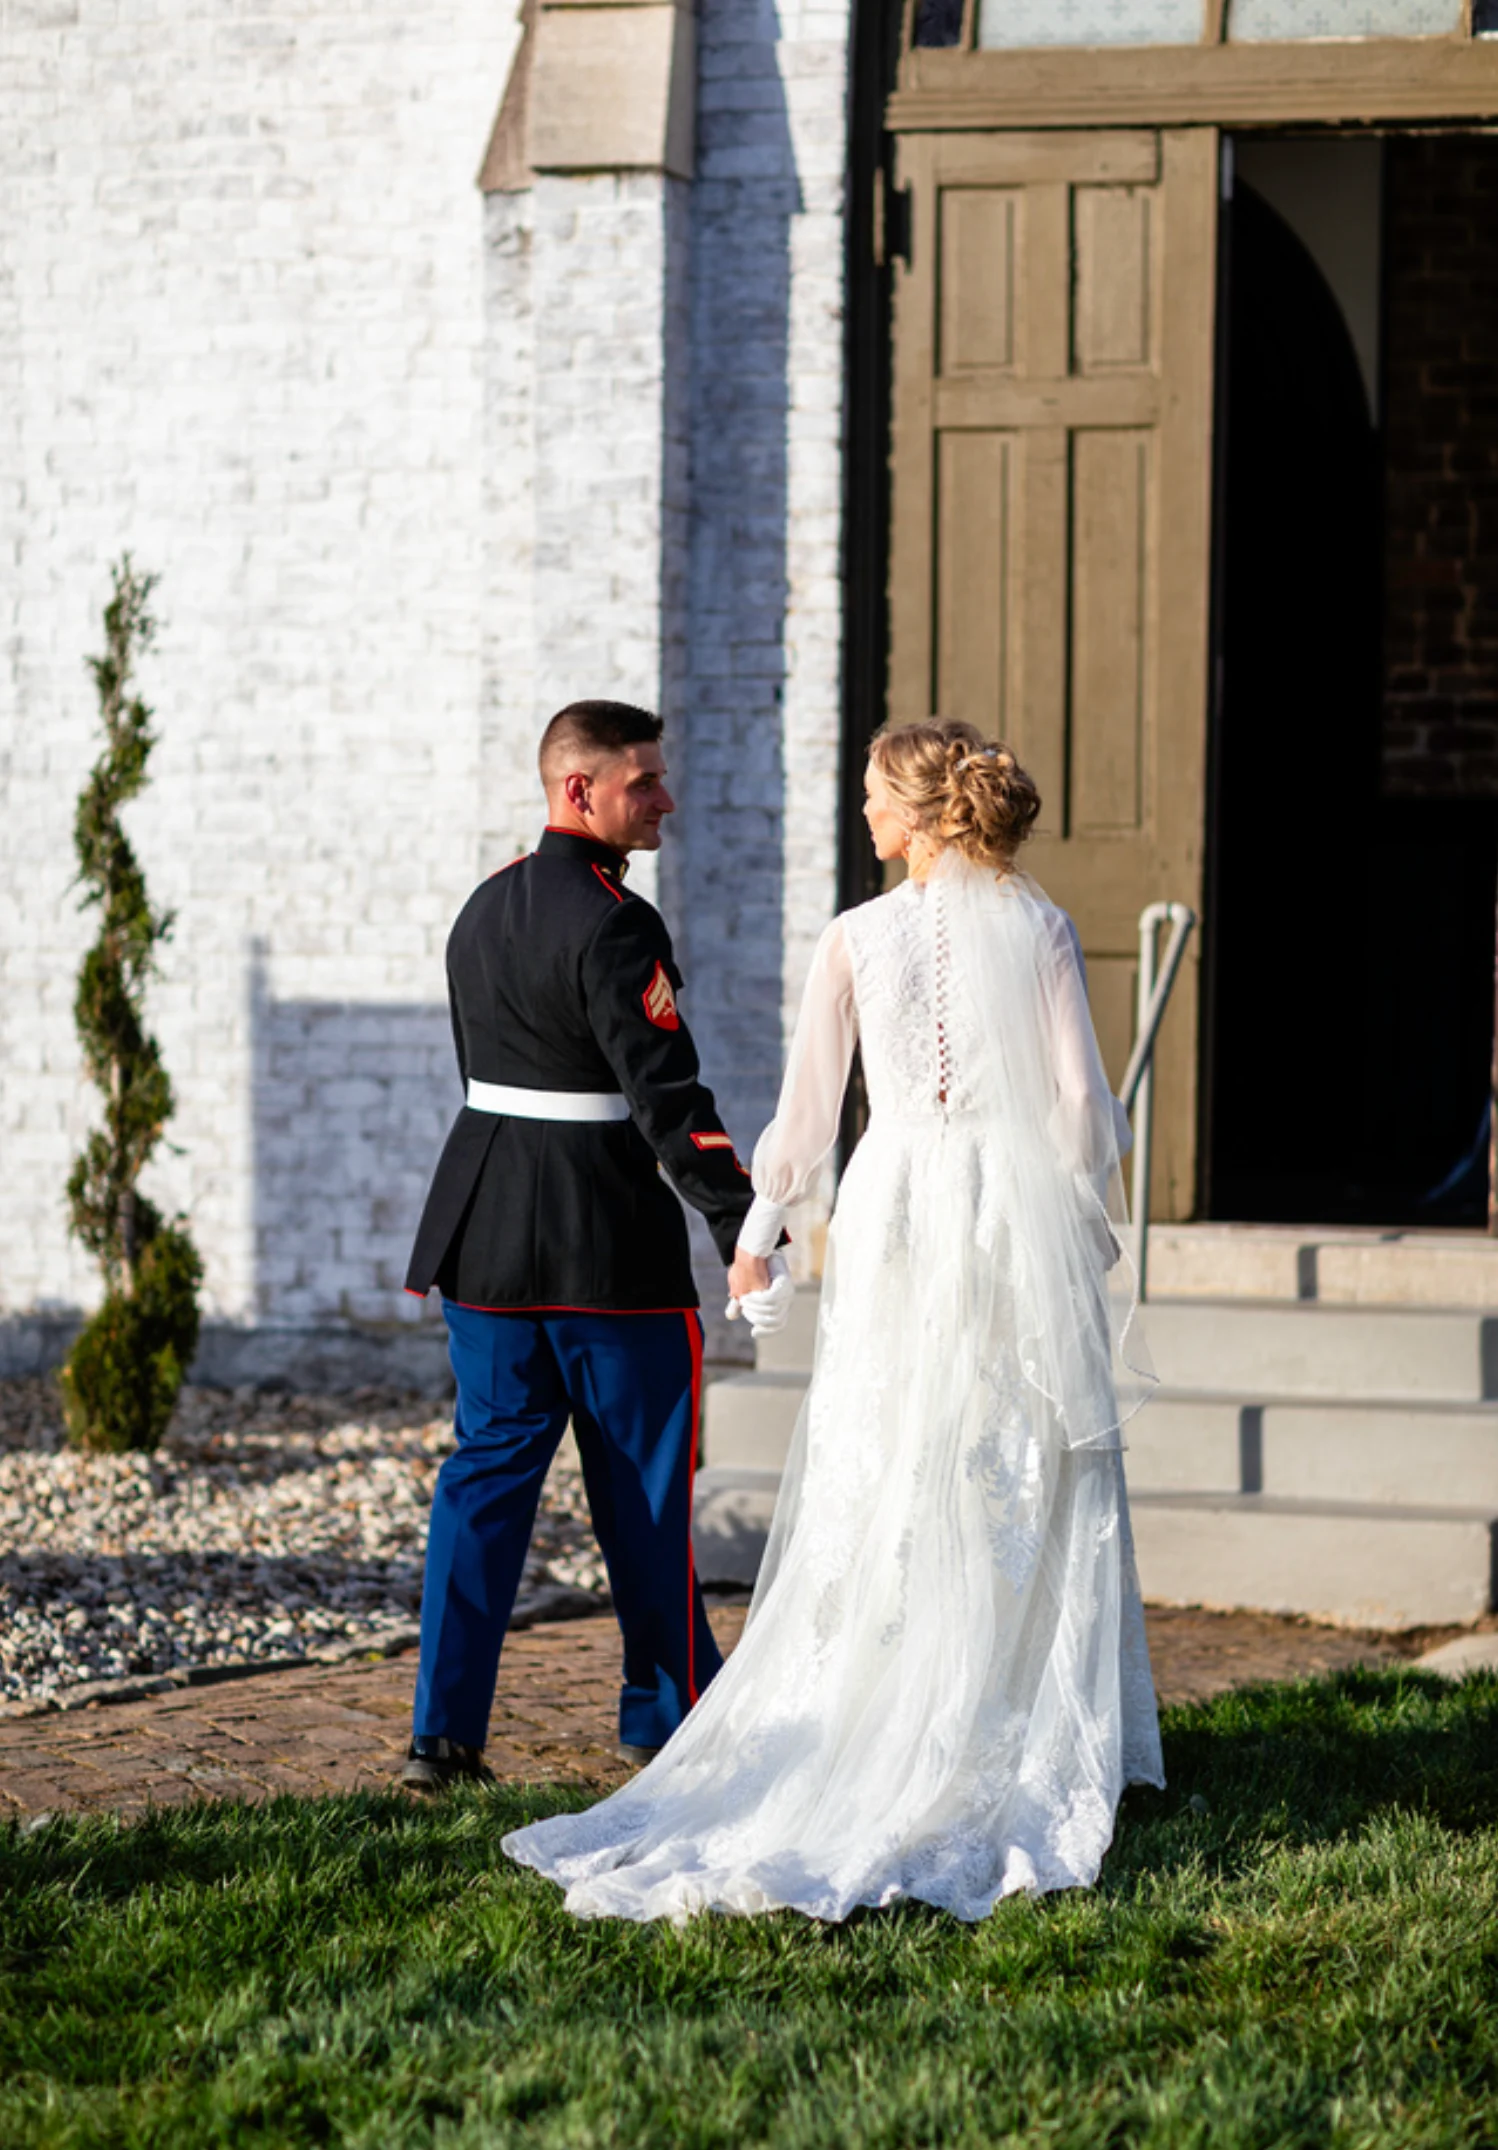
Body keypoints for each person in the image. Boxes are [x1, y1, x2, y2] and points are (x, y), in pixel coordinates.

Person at [503, 718, 1165, 1921]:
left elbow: (805, 1121)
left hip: (902, 1198)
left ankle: (898, 1695)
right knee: (1016, 1449)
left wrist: (759, 1238)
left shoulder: (856, 936)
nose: (861, 815)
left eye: (870, 797)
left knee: (894, 1446)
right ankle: (1009, 1719)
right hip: (1004, 1207)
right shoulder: (1043, 926)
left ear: (913, 813)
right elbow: (1080, 1104)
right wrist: (1074, 1214)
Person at [399, 699, 789, 1794]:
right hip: (604, 1250)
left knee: (482, 1480)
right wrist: (737, 1221)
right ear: (579, 788)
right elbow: (669, 1095)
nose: (664, 799)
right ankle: (668, 1717)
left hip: (481, 1238)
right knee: (645, 1494)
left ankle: (441, 1735)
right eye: (643, 781)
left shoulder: (481, 908)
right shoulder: (619, 921)